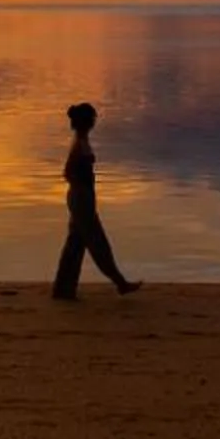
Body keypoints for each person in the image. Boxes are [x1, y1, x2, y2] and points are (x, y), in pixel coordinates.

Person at [52, 100, 142, 299]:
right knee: (97, 243)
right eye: (92, 118)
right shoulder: (79, 144)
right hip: (81, 198)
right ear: (87, 121)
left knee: (75, 244)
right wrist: (82, 187)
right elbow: (68, 172)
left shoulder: (82, 141)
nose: (95, 121)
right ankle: (120, 283)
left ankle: (63, 290)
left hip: (81, 197)